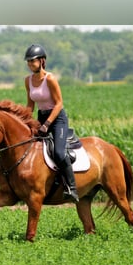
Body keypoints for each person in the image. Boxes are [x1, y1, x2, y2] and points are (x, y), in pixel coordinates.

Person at [24, 44, 79, 203]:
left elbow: (59, 104)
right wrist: (27, 122)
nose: (30, 64)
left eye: (32, 61)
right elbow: (30, 105)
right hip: (41, 117)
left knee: (59, 153)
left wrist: (47, 124)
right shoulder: (28, 81)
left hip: (57, 119)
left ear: (42, 61)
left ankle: (72, 188)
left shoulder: (50, 79)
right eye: (28, 62)